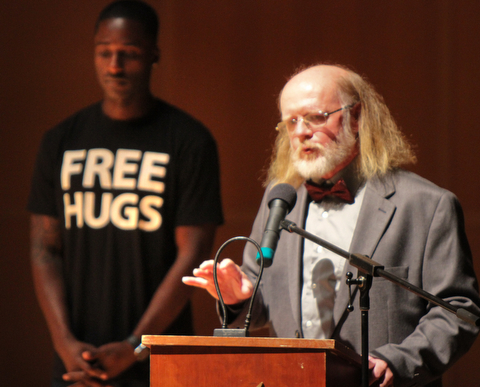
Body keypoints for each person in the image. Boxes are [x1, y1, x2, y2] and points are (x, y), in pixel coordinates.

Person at [183, 64, 480, 387]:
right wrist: (239, 297)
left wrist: (400, 361)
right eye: (291, 121)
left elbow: (458, 311)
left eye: (315, 117)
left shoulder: (425, 205)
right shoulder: (281, 199)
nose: (301, 132)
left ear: (357, 117)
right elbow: (260, 301)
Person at [27, 1, 223, 386]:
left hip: (159, 360)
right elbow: (44, 249)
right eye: (104, 52)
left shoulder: (189, 141)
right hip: (76, 359)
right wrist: (64, 342)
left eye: (129, 53)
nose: (114, 65)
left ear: (154, 55)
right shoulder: (60, 141)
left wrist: (136, 345)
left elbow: (193, 254)